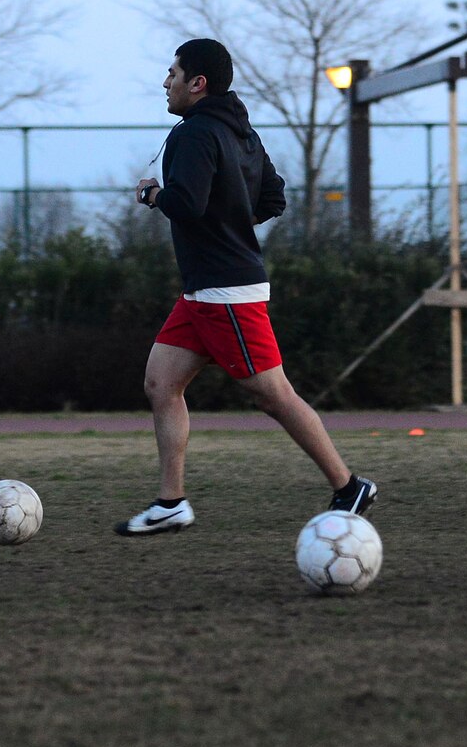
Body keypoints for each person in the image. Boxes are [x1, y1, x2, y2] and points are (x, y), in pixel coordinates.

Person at [117, 38, 377, 536]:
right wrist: (235, 223)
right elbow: (274, 197)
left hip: (224, 292)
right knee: (161, 383)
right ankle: (171, 502)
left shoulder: (193, 134)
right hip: (205, 290)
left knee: (274, 395)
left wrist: (154, 196)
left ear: (198, 83)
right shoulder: (242, 133)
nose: (164, 82)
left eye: (172, 73)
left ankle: (349, 485)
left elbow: (188, 205)